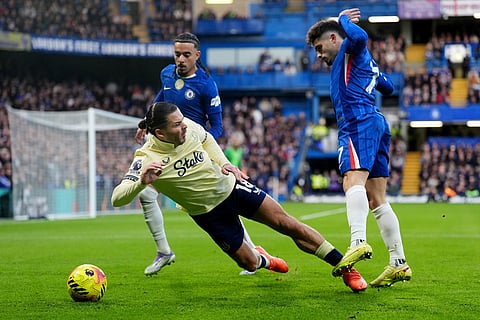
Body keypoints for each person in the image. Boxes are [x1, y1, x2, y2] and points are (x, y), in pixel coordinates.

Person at [112, 101, 369, 292]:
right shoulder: (146, 159)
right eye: (177, 125)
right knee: (249, 263)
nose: (184, 127)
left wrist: (225, 164)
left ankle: (346, 267)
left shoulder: (187, 126)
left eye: (182, 121)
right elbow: (117, 198)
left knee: (287, 224)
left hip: (231, 188)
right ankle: (263, 258)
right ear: (160, 134)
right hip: (208, 214)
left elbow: (207, 138)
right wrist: (141, 183)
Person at [135, 32, 265, 276]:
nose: (180, 59)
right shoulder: (166, 74)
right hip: (166, 149)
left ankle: (254, 251)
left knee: (224, 204)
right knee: (145, 193)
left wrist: (202, 145)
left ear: (197, 55)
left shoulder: (206, 84)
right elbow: (159, 103)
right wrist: (145, 123)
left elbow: (217, 126)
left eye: (186, 55)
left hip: (195, 154)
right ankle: (164, 251)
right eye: (177, 54)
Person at [306, 8, 412, 288]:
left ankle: (358, 241)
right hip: (376, 122)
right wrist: (373, 73)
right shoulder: (361, 61)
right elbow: (388, 87)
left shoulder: (348, 49)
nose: (318, 55)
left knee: (352, 179)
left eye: (319, 48)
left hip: (357, 123)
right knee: (377, 198)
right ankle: (398, 263)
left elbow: (360, 36)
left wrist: (342, 20)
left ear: (333, 38)